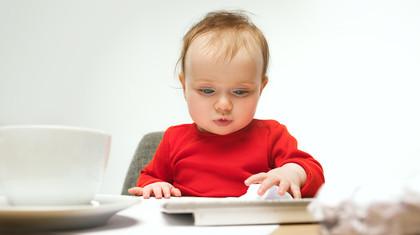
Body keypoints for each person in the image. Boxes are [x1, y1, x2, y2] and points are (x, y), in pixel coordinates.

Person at [128, 10, 324, 199]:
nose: (223, 105)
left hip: (252, 227)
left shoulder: (272, 135)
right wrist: (155, 186)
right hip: (191, 228)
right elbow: (147, 179)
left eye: (240, 92)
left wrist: (291, 173)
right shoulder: (173, 140)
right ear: (184, 86)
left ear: (260, 88)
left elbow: (314, 174)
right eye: (207, 91)